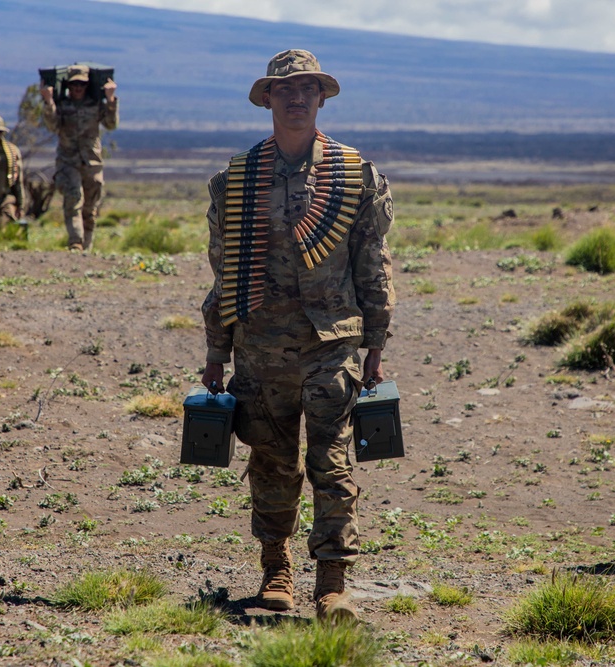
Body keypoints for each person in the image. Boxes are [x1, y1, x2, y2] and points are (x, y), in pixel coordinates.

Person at [200, 49, 395, 622]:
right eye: (284, 89)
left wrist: (377, 346)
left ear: (321, 97)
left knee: (332, 463)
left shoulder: (356, 175)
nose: (296, 98)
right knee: (270, 461)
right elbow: (222, 271)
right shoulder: (234, 180)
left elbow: (373, 265)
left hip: (330, 342)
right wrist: (216, 351)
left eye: (306, 88)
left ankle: (333, 583)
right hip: (258, 346)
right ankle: (276, 570)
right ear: (268, 99)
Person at [41, 64, 118, 251]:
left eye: (81, 84)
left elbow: (111, 124)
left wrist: (110, 99)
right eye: (74, 84)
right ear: (68, 85)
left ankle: (87, 247)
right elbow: (52, 126)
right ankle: (75, 242)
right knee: (74, 198)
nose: (77, 88)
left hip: (91, 162)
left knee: (90, 208)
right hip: (68, 161)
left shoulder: (95, 105)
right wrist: (49, 101)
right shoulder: (62, 105)